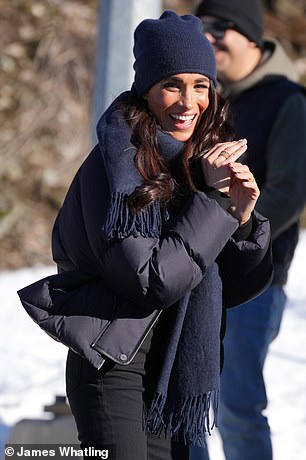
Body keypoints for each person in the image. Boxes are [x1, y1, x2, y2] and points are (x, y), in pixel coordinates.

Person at [17, 10, 273, 460]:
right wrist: (213, 205)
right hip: (113, 366)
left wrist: (244, 219)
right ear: (147, 90)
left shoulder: (200, 164)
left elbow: (235, 287)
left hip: (170, 369)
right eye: (172, 85)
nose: (187, 102)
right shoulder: (117, 164)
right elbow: (151, 279)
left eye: (200, 86)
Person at [193, 1, 306, 460]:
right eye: (202, 28)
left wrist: (224, 233)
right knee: (189, 405)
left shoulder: (289, 101)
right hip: (196, 276)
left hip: (255, 284)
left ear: (253, 37)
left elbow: (289, 192)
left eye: (220, 27)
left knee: (237, 406)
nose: (209, 37)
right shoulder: (207, 98)